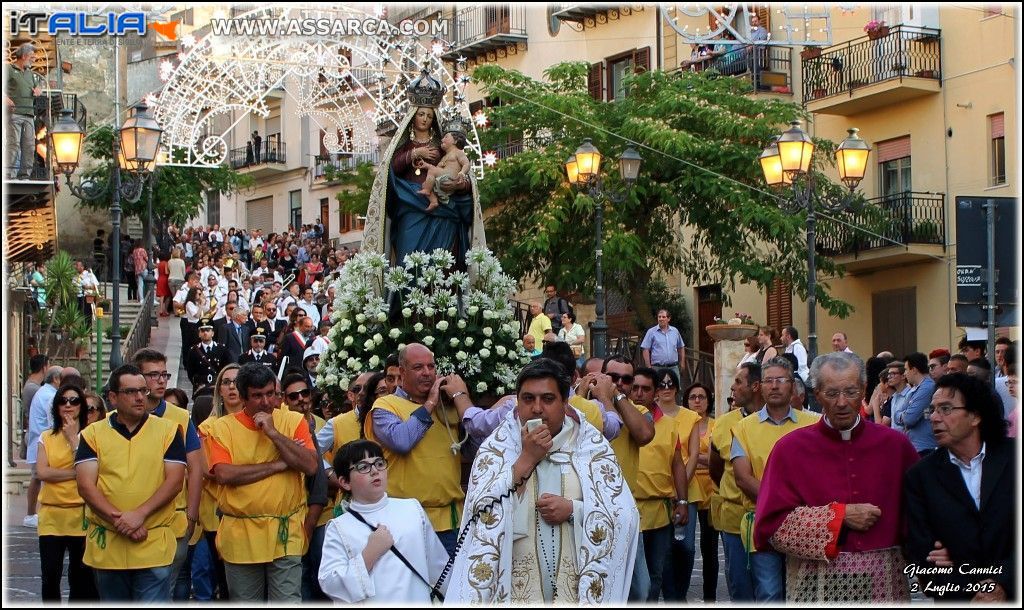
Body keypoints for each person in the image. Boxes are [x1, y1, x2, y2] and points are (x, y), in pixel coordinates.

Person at [446, 359, 640, 603]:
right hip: (514, 589)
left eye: (548, 399)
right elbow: (479, 515)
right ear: (517, 401)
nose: (537, 408)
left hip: (575, 587)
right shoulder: (496, 449)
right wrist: (526, 459)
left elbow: (625, 516)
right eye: (528, 399)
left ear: (565, 403)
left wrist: (574, 510)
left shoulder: (592, 447)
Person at [755, 353, 920, 601]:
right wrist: (839, 517)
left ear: (864, 390)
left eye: (851, 392)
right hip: (815, 583)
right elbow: (771, 527)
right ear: (817, 393)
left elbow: (920, 515)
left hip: (885, 583)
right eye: (832, 394)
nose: (842, 402)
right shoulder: (790, 449)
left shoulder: (896, 446)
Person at [205, 363, 319, 601]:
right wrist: (281, 464)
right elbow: (225, 475)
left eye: (270, 393)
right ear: (243, 397)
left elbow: (309, 465)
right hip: (241, 537)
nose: (266, 402)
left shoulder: (293, 421)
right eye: (257, 396)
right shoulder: (221, 428)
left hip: (285, 534)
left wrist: (274, 434)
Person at [75, 365, 187, 601]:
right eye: (131, 392)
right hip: (110, 544)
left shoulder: (168, 431)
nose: (139, 397)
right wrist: (121, 521)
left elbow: (175, 480)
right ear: (113, 398)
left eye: (143, 391)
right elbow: (86, 485)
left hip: (152, 540)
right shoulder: (92, 434)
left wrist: (139, 515)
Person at [904, 373, 1015, 601]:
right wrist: (973, 590)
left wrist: (1002, 583)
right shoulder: (921, 476)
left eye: (945, 409)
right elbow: (921, 554)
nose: (934, 417)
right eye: (932, 410)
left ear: (975, 416)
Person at [364, 343, 475, 556]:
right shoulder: (385, 406)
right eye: (418, 367)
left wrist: (462, 398)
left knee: (450, 589)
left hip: (450, 522)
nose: (427, 373)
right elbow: (402, 441)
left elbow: (471, 449)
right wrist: (431, 402)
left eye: (431, 367)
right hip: (406, 523)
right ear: (402, 372)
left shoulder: (447, 406)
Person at [363, 75, 483, 265]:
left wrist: (461, 184)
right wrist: (413, 153)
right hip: (410, 207)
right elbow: (390, 171)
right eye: (421, 114)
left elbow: (464, 174)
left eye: (429, 115)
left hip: (443, 212)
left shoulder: (444, 147)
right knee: (408, 264)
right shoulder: (403, 145)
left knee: (443, 266)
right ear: (413, 116)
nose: (425, 119)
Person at [318, 439, 450, 603]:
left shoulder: (412, 509)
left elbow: (440, 568)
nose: (374, 471)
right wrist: (369, 553)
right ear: (345, 482)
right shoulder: (339, 527)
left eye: (379, 464)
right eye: (363, 467)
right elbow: (331, 584)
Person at [730, 357, 819, 601]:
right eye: (769, 380)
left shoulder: (814, 424)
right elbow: (742, 478)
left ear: (792, 384)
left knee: (804, 591)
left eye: (781, 380)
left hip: (806, 523)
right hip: (763, 522)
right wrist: (780, 504)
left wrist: (797, 511)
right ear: (760, 386)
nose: (775, 386)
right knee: (770, 592)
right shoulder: (744, 428)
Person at [132, 348, 204, 600]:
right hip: (130, 519)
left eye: (164, 374)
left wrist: (192, 514)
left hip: (173, 521)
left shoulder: (181, 417)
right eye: (153, 375)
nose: (161, 380)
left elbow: (196, 468)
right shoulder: (119, 418)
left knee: (163, 590)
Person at [36, 383, 99, 601]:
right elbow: (43, 472)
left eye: (74, 401)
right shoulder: (46, 437)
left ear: (81, 406)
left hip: (80, 516)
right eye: (63, 401)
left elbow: (93, 469)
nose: (68, 405)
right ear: (56, 406)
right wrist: (76, 473)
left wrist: (74, 439)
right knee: (50, 576)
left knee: (80, 578)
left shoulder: (90, 436)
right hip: (52, 516)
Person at [709, 362, 761, 601]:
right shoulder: (722, 423)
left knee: (770, 586)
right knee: (739, 585)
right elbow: (715, 469)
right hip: (733, 519)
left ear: (756, 387)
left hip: (768, 516)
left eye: (739, 381)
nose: (733, 387)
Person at [280, 372, 330, 602]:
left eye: (304, 393)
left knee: (322, 576)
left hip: (321, 515)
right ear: (284, 400)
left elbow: (319, 476)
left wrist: (310, 524)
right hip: (292, 517)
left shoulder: (323, 424)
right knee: (299, 579)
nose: (301, 399)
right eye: (293, 396)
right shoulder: (282, 427)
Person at [667, 381, 719, 602]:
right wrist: (698, 461)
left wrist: (698, 459)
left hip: (710, 490)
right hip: (686, 487)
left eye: (702, 397)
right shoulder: (681, 421)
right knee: (682, 545)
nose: (697, 401)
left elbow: (718, 459)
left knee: (709, 548)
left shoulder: (717, 425)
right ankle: (678, 594)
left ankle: (709, 597)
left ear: (708, 401)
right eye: (692, 397)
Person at [25, 365, 63, 529]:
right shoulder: (50, 395)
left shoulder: (44, 392)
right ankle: (32, 514)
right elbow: (53, 421)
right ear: (55, 379)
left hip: (38, 442)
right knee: (40, 478)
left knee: (37, 478)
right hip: (43, 444)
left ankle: (31, 513)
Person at [7, 43, 40, 179]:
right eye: (32, 57)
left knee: (30, 146)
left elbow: (37, 87)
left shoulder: (30, 74)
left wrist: (39, 90)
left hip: (29, 114)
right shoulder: (8, 68)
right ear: (24, 56)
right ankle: (9, 174)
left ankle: (24, 175)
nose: (34, 59)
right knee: (14, 144)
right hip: (14, 113)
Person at [418, 129, 471, 212]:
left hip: (450, 178)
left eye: (446, 137)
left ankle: (427, 190)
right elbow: (437, 169)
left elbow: (466, 163)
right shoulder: (444, 157)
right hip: (441, 181)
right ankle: (433, 201)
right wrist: (426, 165)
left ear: (455, 141)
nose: (442, 140)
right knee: (425, 184)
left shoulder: (458, 152)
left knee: (432, 173)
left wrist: (462, 172)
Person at [898, 353, 938, 455]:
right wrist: (904, 415)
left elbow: (909, 419)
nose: (904, 374)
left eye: (906, 369)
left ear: (914, 370)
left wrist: (903, 415)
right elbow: (897, 413)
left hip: (924, 448)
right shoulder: (916, 388)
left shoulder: (927, 388)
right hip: (916, 446)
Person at [641, 309, 687, 383]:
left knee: (675, 389)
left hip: (673, 368)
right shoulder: (651, 332)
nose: (661, 319)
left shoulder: (675, 331)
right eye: (659, 317)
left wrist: (682, 363)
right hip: (657, 368)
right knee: (658, 389)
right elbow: (645, 349)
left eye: (663, 317)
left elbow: (681, 347)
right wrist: (649, 367)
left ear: (668, 319)